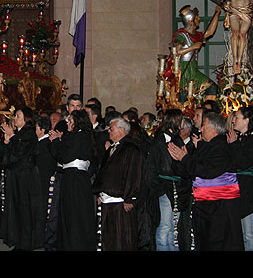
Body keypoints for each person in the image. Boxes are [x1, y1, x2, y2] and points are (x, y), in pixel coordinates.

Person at [168, 110, 244, 251]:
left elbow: (207, 171)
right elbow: (189, 171)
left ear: (214, 129)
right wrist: (178, 160)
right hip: (205, 208)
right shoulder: (205, 147)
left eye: (204, 126)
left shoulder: (221, 147)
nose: (200, 129)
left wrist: (184, 158)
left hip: (220, 209)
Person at [0, 106, 44, 251]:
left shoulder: (29, 134)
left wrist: (12, 137)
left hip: (25, 176)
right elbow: (2, 156)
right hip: (16, 175)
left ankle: (26, 243)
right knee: (16, 208)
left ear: (26, 118)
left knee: (24, 208)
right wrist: (6, 141)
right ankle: (19, 240)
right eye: (15, 115)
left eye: (18, 116)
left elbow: (19, 153)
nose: (14, 118)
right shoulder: (19, 134)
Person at [145, 108, 193, 251]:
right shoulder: (159, 142)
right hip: (166, 190)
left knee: (173, 229)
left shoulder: (178, 141)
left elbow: (182, 167)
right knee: (165, 228)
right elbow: (152, 170)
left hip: (176, 190)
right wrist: (160, 190)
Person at [94, 115, 144, 251]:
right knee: (108, 239)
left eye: (111, 128)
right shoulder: (112, 147)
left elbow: (134, 174)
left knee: (122, 239)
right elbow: (105, 171)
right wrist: (100, 191)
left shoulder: (131, 148)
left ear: (121, 130)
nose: (108, 131)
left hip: (121, 201)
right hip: (107, 199)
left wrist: (130, 197)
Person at [49, 109, 96, 251]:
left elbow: (65, 155)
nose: (68, 123)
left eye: (71, 121)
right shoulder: (80, 136)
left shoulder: (80, 136)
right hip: (75, 179)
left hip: (75, 180)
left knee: (74, 215)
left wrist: (56, 141)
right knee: (72, 214)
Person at [227, 106, 253, 251]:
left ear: (247, 120)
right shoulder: (240, 139)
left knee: (250, 235)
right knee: (242, 236)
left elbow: (243, 163)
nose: (233, 121)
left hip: (250, 192)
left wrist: (234, 144)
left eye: (237, 118)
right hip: (238, 191)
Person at [173, 4, 221, 100]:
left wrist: (217, 14)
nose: (199, 19)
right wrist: (192, 47)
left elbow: (210, 32)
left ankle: (207, 109)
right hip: (184, 68)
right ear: (191, 21)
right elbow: (177, 52)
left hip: (193, 67)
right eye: (197, 17)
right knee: (184, 97)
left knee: (212, 88)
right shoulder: (181, 35)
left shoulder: (197, 35)